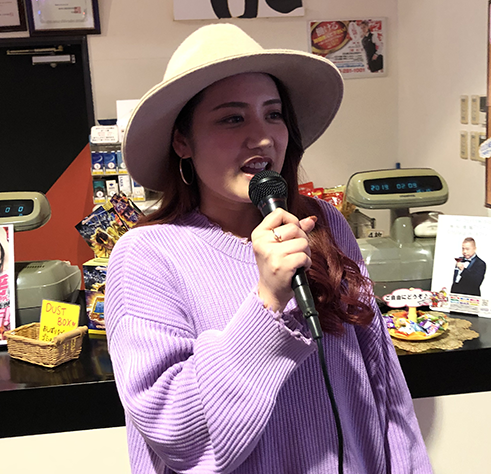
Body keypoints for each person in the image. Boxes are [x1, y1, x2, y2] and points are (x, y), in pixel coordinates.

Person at [105, 23, 432, 474]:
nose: (262, 137)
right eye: (232, 118)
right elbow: (176, 431)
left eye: (273, 114)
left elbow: (381, 378)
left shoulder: (322, 223)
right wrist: (268, 303)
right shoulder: (147, 255)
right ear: (182, 140)